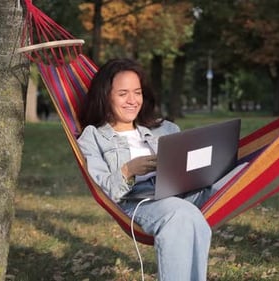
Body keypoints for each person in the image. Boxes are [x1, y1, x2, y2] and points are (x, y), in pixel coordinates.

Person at [77, 58, 241, 281]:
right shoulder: (93, 137)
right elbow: (105, 190)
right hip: (140, 200)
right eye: (123, 93)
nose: (132, 100)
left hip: (183, 190)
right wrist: (128, 170)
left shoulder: (164, 127)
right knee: (181, 214)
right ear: (105, 96)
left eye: (137, 92)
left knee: (238, 172)